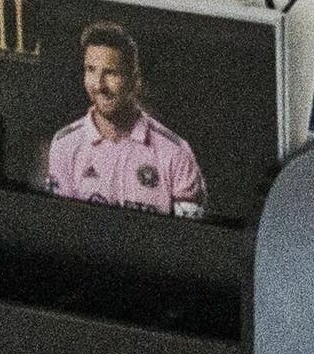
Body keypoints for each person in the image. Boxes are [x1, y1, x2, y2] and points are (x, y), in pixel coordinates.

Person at [42, 21, 207, 215]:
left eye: (111, 73)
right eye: (91, 70)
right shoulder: (65, 144)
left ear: (134, 80)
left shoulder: (176, 153)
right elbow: (60, 225)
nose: (98, 85)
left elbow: (189, 239)